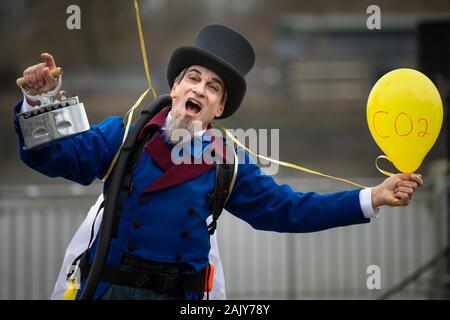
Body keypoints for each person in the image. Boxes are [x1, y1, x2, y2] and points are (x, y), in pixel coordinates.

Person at [14, 24, 423, 300]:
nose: (200, 89)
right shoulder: (123, 135)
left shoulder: (227, 162)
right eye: (193, 78)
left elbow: (290, 210)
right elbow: (51, 157)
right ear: (175, 88)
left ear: (219, 109)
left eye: (213, 88)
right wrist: (38, 101)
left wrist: (373, 196)